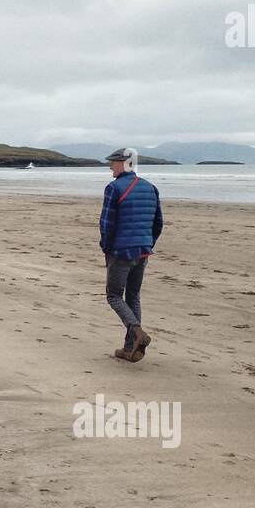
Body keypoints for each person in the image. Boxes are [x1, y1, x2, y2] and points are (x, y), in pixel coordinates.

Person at [99, 148, 163, 362]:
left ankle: (136, 332)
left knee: (114, 296)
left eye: (113, 163)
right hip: (143, 249)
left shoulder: (114, 188)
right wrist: (148, 243)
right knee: (133, 296)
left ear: (125, 163)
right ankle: (130, 348)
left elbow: (107, 223)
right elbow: (158, 223)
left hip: (121, 250)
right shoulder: (150, 188)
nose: (110, 167)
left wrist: (107, 248)